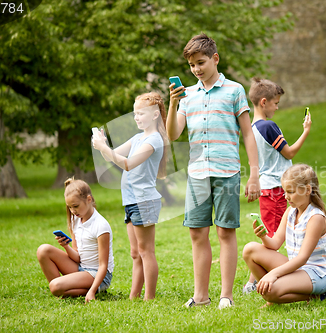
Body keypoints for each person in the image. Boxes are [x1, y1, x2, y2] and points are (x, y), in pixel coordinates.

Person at [167, 33, 261, 309]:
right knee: (197, 232)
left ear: (215, 59)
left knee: (225, 232)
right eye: (192, 65)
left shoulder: (234, 90)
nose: (196, 69)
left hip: (227, 171)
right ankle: (201, 296)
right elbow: (173, 134)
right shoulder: (187, 96)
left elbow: (248, 134)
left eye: (201, 62)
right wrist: (173, 103)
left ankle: (226, 296)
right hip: (197, 173)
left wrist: (254, 174)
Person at [92, 92, 167, 300]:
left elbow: (127, 163)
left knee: (146, 252)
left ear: (154, 115)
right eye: (135, 113)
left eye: (140, 113)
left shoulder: (154, 140)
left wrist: (104, 148)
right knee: (136, 253)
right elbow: (114, 156)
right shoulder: (137, 138)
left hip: (144, 200)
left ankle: (149, 297)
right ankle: (134, 297)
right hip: (131, 201)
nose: (136, 117)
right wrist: (102, 144)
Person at [243, 78, 312, 293]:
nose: (277, 107)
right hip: (276, 190)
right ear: (264, 102)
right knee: (272, 240)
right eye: (276, 103)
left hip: (268, 188)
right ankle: (254, 281)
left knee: (270, 238)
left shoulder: (251, 128)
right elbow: (289, 152)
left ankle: (256, 279)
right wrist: (306, 130)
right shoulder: (268, 126)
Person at [242, 164, 326, 306]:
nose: (286, 197)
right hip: (299, 269)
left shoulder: (316, 218)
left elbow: (302, 258)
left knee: (270, 292)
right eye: (285, 191)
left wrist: (273, 274)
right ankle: (280, 292)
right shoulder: (290, 212)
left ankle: (318, 295)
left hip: (318, 274)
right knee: (250, 250)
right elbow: (274, 244)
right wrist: (263, 236)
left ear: (307, 190)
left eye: (290, 192)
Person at [36, 178, 114, 304]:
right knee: (43, 250)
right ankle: (64, 289)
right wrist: (66, 246)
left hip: (98, 274)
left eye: (76, 206)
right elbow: (78, 257)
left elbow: (103, 265)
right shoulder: (76, 220)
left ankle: (80, 289)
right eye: (70, 207)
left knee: (55, 286)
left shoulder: (101, 226)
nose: (73, 211)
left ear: (89, 199)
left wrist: (92, 291)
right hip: (81, 267)